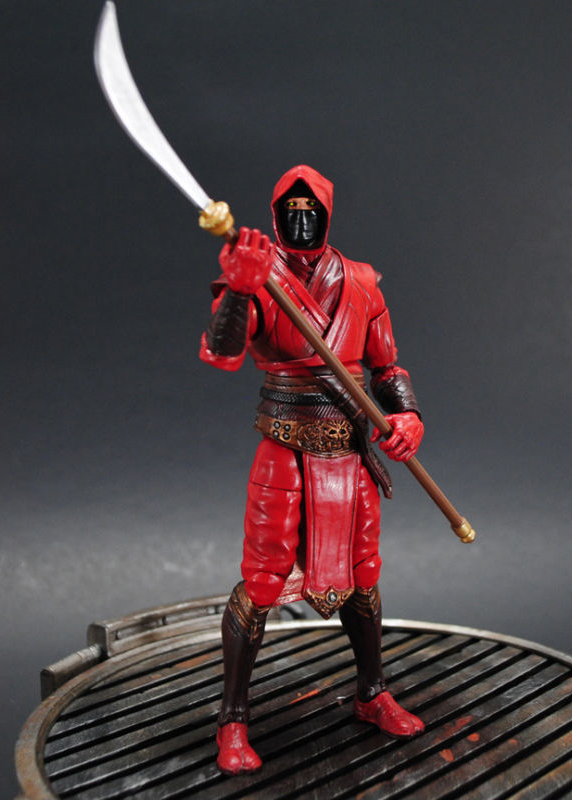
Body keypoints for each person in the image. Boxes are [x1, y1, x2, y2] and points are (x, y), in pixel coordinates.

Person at [200, 164, 425, 775]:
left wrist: (407, 416)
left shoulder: (362, 282)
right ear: (277, 216)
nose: (301, 222)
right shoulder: (258, 274)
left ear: (327, 214)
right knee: (263, 579)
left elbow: (387, 367)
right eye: (291, 212)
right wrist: (240, 289)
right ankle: (232, 720)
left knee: (363, 573)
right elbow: (222, 350)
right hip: (283, 448)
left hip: (350, 450)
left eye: (312, 212)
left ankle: (372, 693)